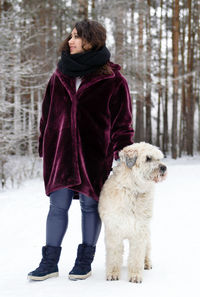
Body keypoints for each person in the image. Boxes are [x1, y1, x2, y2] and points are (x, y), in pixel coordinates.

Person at [28, 19, 134, 281]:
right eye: (71, 36)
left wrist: (123, 153)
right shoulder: (59, 75)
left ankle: (84, 259)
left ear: (91, 41)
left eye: (77, 37)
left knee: (90, 206)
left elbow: (122, 121)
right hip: (60, 152)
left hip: (93, 153)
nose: (71, 41)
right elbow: (47, 115)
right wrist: (45, 145)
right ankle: (49, 262)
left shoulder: (113, 79)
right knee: (57, 206)